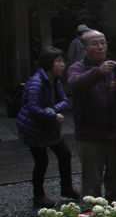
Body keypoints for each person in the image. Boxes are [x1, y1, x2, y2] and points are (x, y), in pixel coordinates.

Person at [67, 30, 116, 201]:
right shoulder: (77, 68)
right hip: (89, 135)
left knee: (115, 178)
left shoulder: (115, 67)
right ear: (85, 48)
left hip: (113, 132)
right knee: (91, 180)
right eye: (95, 43)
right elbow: (75, 85)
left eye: (103, 42)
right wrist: (98, 72)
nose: (100, 47)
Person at [16, 46, 79, 207]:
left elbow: (65, 100)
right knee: (41, 161)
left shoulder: (55, 80)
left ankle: (66, 188)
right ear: (48, 63)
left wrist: (53, 110)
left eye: (62, 61)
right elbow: (32, 107)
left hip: (49, 125)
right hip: (33, 127)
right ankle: (38, 196)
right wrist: (52, 114)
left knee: (64, 154)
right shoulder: (36, 82)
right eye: (58, 61)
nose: (62, 64)